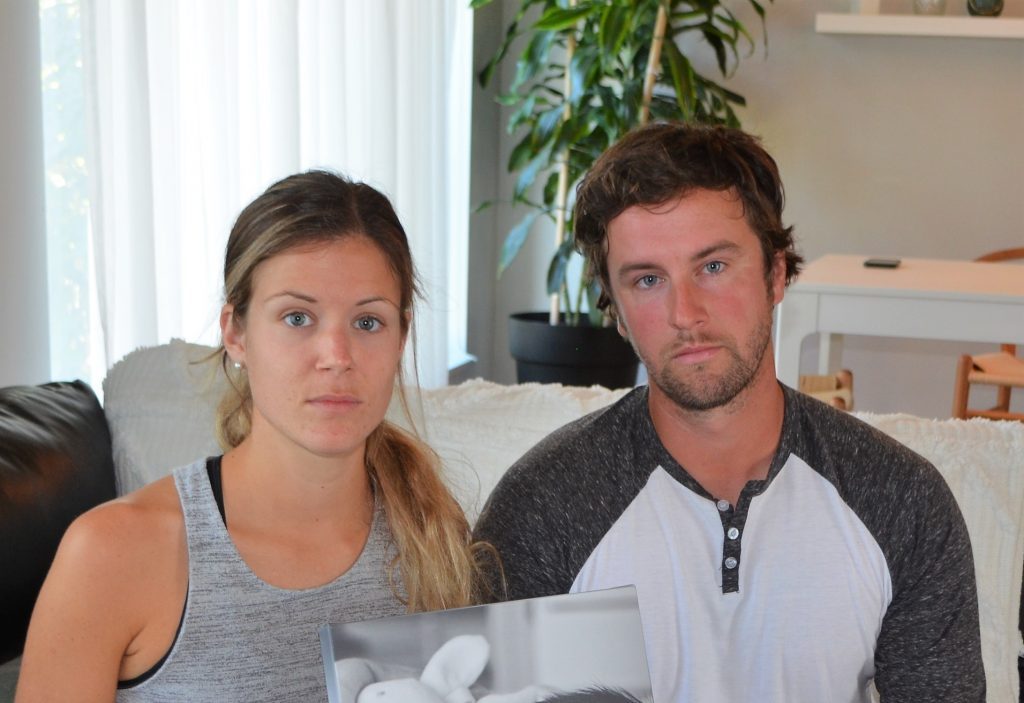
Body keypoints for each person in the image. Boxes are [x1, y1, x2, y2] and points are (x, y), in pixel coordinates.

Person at [472, 123, 985, 702]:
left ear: (776, 274)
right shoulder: (544, 506)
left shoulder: (901, 499)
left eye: (713, 267)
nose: (685, 313)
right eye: (648, 280)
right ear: (616, 312)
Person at [17, 171, 487, 702]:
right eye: (297, 317)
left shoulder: (433, 532)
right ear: (235, 333)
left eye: (367, 323)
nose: (337, 356)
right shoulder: (112, 552)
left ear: (401, 338)